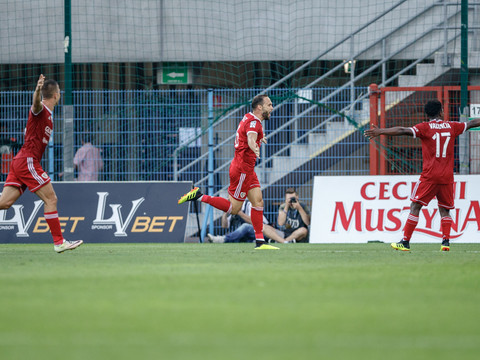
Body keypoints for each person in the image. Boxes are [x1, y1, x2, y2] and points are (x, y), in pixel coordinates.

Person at [364, 99, 480, 251]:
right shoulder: (452, 126)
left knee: (415, 206)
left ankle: (405, 241)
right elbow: (472, 124)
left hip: (430, 176)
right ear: (441, 112)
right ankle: (445, 242)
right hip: (447, 177)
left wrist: (381, 131)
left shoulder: (424, 127)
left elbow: (402, 130)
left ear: (427, 114)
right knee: (445, 209)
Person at [178, 94, 279, 249]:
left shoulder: (249, 117)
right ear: (260, 107)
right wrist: (255, 146)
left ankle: (260, 242)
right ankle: (198, 196)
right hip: (242, 171)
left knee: (258, 202)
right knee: (234, 209)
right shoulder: (254, 123)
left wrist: (260, 138)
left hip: (247, 170)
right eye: (269, 105)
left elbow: (250, 135)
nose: (272, 107)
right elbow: (251, 138)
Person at [0, 75, 83, 253]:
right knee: (51, 199)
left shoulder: (49, 114)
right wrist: (37, 91)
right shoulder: (42, 109)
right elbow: (35, 106)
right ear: (56, 95)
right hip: (27, 161)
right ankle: (59, 242)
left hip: (21, 160)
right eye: (59, 91)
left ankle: (60, 242)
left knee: (5, 203)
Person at [207, 199, 288, 243]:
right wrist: (225, 213)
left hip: (265, 232)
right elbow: (224, 226)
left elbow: (255, 222)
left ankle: (222, 239)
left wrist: (239, 213)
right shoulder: (233, 209)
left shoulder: (249, 205)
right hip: (249, 236)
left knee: (245, 227)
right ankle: (222, 239)